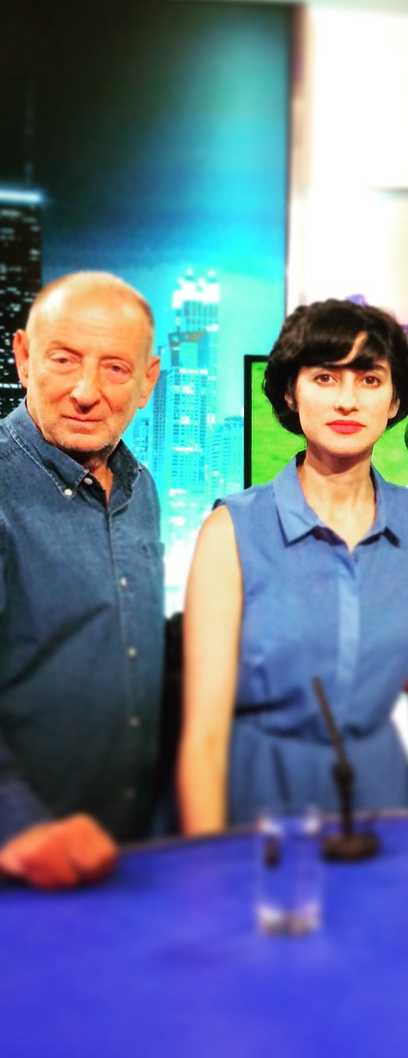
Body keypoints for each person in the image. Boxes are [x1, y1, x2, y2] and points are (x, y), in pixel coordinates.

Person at [177, 300, 408, 832]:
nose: (347, 400)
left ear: (395, 401)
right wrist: (208, 862)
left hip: (382, 801)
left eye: (369, 380)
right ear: (291, 392)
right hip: (259, 806)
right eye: (325, 378)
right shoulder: (231, 528)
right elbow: (204, 735)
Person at [0, 272, 163, 888]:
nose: (87, 392)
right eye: (64, 360)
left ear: (147, 382)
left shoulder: (141, 489)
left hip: (126, 857)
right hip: (27, 869)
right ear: (23, 358)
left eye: (115, 368)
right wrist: (19, 827)